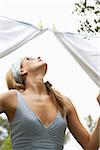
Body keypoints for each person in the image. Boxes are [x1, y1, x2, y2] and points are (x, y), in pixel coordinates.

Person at [0, 56, 99, 150]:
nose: (38, 57)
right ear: (22, 71)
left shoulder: (64, 102)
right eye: (29, 59)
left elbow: (90, 146)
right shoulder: (11, 98)